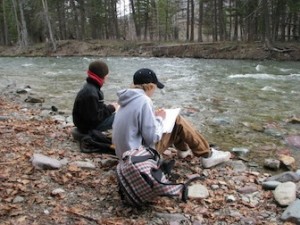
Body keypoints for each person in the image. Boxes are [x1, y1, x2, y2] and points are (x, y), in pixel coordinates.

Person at [112, 68, 231, 168]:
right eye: (155, 88)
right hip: (139, 157)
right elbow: (152, 137)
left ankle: (183, 150)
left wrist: (154, 118)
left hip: (124, 155)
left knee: (172, 121)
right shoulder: (144, 100)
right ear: (150, 86)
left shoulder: (126, 99)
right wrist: (159, 119)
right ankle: (207, 155)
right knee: (176, 119)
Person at [72, 60, 118, 134]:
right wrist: (111, 108)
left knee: (117, 113)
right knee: (121, 116)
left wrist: (110, 107)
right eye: (106, 75)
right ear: (103, 76)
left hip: (85, 124)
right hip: (88, 128)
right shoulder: (91, 93)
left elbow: (95, 110)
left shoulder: (91, 87)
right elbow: (94, 118)